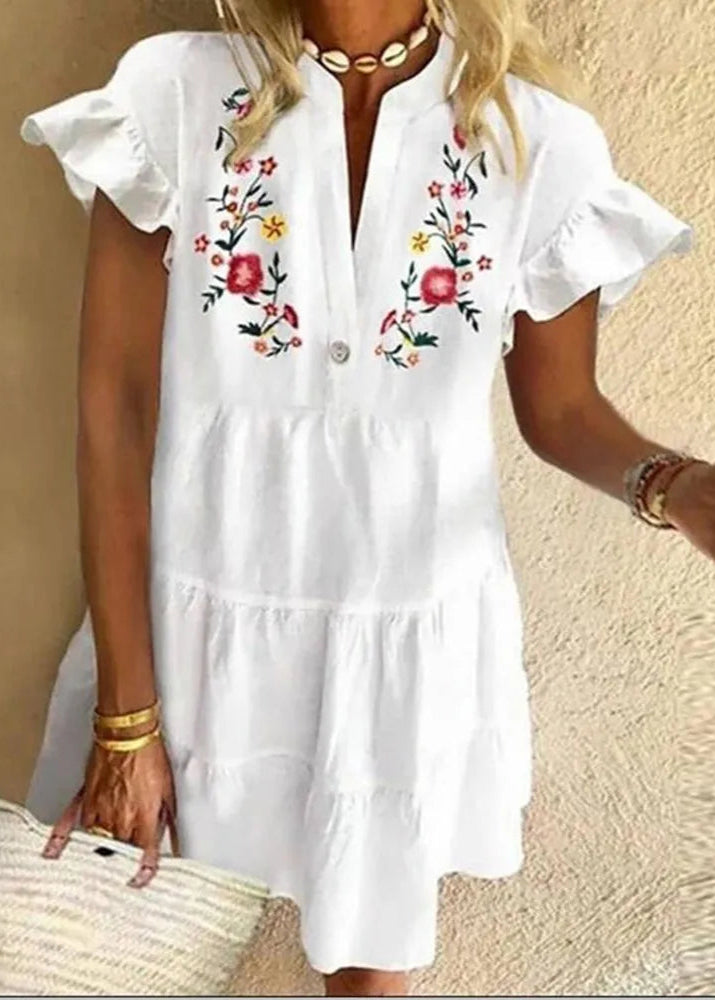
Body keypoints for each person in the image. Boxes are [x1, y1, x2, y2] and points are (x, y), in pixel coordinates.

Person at [18, 0, 712, 995]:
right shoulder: (173, 93)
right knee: (108, 955)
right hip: (189, 626)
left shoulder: (533, 139)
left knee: (368, 967)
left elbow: (560, 410)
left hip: (404, 636)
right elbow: (116, 412)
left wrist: (675, 485)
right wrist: (126, 721)